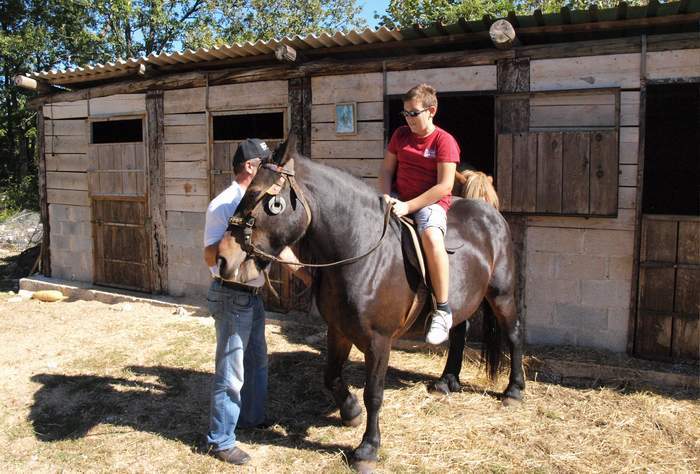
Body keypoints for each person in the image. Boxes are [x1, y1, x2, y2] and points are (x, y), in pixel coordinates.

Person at [203, 138, 308, 465]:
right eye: (264, 164)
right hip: (231, 294)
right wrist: (232, 246)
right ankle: (220, 440)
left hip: (252, 295)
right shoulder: (225, 204)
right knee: (231, 371)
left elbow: (279, 247)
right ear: (251, 167)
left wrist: (308, 277)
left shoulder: (256, 202)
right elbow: (210, 255)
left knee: (256, 362)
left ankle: (251, 417)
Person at [379, 83, 460, 345]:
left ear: (431, 110)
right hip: (398, 198)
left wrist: (408, 206)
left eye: (414, 113)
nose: (408, 119)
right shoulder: (400, 135)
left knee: (431, 236)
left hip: (430, 202)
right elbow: (386, 171)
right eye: (405, 113)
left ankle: (443, 309)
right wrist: (385, 195)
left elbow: (444, 186)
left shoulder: (444, 141)